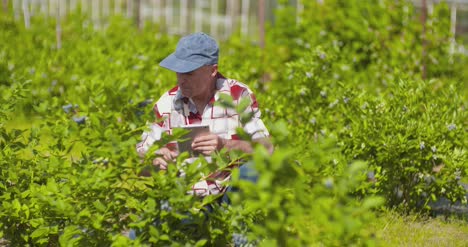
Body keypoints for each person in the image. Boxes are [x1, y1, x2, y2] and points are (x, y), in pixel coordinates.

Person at [136, 32, 273, 197]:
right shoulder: (167, 103)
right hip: (184, 198)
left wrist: (225, 145)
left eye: (189, 73)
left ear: (213, 70)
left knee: (253, 171)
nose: (181, 80)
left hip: (229, 194)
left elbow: (267, 148)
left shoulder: (237, 96)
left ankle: (236, 220)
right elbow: (139, 162)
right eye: (178, 72)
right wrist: (155, 160)